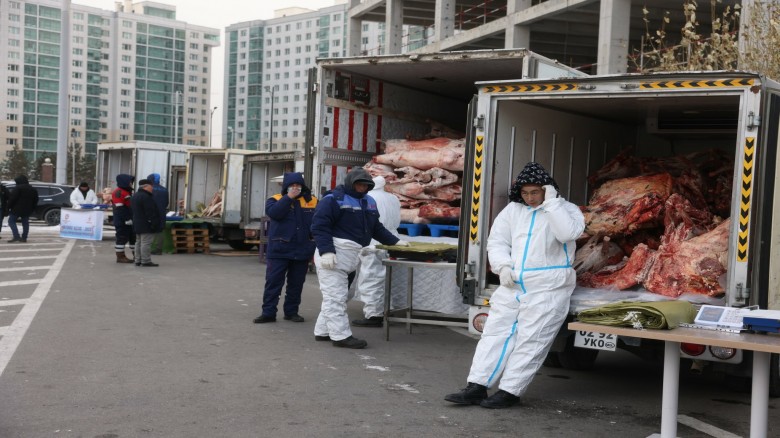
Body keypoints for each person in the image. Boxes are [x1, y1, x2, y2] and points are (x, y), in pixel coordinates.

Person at [444, 162, 585, 409]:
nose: (530, 198)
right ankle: (477, 386)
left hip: (548, 287)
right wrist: (503, 267)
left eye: (535, 192)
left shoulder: (567, 210)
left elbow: (567, 234)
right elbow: (497, 241)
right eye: (525, 192)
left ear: (547, 189)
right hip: (513, 284)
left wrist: (552, 204)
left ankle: (510, 391)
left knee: (532, 339)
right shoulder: (513, 210)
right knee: (494, 334)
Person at [311, 168, 410, 349]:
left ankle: (322, 331)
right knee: (335, 297)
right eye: (359, 184)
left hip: (351, 256)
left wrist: (395, 242)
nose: (362, 188)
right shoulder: (333, 199)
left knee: (337, 296)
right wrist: (326, 251)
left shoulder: (368, 201)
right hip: (334, 254)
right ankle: (341, 336)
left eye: (366, 185)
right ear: (351, 183)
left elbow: (376, 228)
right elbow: (319, 226)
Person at [253, 172, 318, 324]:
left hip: (301, 250)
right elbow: (274, 214)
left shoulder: (313, 201)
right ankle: (268, 313)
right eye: (292, 185)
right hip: (279, 249)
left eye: (298, 185)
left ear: (303, 186)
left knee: (296, 284)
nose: (295, 188)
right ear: (286, 187)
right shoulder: (275, 199)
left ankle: (291, 312)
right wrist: (288, 198)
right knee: (273, 282)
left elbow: (317, 223)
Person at [352, 175, 402, 327]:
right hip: (391, 239)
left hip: (374, 240)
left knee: (371, 277)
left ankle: (373, 314)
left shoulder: (368, 198)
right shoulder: (394, 198)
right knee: (385, 278)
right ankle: (386, 309)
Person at [131, 179, 162, 267]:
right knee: (146, 243)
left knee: (138, 242)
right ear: (146, 187)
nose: (152, 188)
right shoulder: (146, 197)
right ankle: (145, 260)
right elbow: (150, 212)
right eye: (151, 186)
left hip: (137, 223)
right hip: (146, 224)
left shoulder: (135, 196)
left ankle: (138, 260)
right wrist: (154, 223)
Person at [7, 175, 38, 243]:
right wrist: (33, 208)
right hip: (27, 209)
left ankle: (16, 236)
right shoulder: (33, 189)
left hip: (16, 208)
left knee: (11, 221)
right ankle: (24, 238)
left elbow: (12, 199)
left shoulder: (18, 188)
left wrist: (8, 206)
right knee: (25, 223)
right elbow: (35, 200)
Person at [111, 174, 136, 263]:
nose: (131, 183)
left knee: (133, 238)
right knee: (122, 238)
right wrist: (127, 219)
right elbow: (120, 208)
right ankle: (120, 257)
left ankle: (137, 255)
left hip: (129, 219)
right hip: (122, 220)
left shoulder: (126, 191)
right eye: (130, 182)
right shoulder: (119, 192)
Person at [146, 173, 169, 255]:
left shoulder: (149, 189)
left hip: (150, 213)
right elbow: (166, 203)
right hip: (161, 213)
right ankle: (158, 249)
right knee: (160, 230)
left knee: (147, 230)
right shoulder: (164, 190)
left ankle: (146, 248)